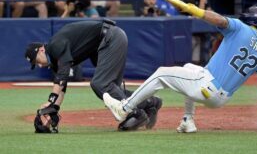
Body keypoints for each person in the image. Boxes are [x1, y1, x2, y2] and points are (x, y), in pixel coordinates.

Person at [103, 0, 257, 134]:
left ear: (251, 19)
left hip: (206, 85)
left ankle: (124, 108)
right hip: (220, 99)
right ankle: (188, 121)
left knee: (160, 73)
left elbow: (219, 20)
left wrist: (192, 10)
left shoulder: (240, 27)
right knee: (189, 67)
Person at [25, 19, 162, 133]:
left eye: (35, 60)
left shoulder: (54, 45)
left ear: (41, 50)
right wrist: (54, 107)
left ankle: (135, 113)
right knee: (111, 88)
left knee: (100, 84)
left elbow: (62, 75)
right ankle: (150, 102)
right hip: (108, 40)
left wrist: (50, 100)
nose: (38, 65)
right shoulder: (55, 60)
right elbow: (62, 85)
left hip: (110, 38)